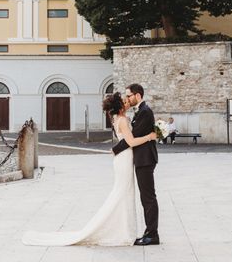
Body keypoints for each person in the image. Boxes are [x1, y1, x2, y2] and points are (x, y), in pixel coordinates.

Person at [22, 92, 156, 246]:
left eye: (127, 99)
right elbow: (131, 141)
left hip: (123, 158)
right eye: (124, 101)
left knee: (123, 192)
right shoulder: (123, 120)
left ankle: (124, 229)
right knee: (123, 192)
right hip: (124, 159)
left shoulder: (117, 119)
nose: (127, 102)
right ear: (120, 106)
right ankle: (120, 230)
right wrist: (149, 137)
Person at [113, 83, 160, 246]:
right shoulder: (140, 111)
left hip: (145, 159)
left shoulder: (145, 112)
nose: (127, 98)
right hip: (142, 159)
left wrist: (115, 149)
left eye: (129, 95)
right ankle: (149, 232)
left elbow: (131, 139)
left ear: (138, 95)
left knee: (148, 197)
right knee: (146, 197)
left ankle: (152, 234)